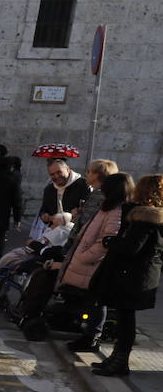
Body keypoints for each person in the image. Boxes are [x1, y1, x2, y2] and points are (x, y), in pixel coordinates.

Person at [89, 175, 163, 378]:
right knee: (124, 319)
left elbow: (131, 248)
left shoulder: (145, 219)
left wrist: (112, 243)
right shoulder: (151, 218)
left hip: (133, 277)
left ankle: (120, 362)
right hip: (140, 276)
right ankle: (117, 358)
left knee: (126, 320)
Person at [58, 172, 132, 354]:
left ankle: (91, 338)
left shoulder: (117, 211)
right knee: (90, 301)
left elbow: (106, 241)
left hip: (95, 264)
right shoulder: (108, 207)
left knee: (96, 302)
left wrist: (85, 255)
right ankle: (88, 335)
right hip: (89, 262)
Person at [33, 158, 89, 240]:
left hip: (75, 232)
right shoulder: (49, 189)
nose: (56, 176)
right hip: (54, 231)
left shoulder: (83, 185)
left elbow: (89, 209)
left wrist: (77, 212)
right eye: (52, 174)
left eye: (59, 172)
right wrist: (44, 215)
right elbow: (44, 209)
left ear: (68, 169)